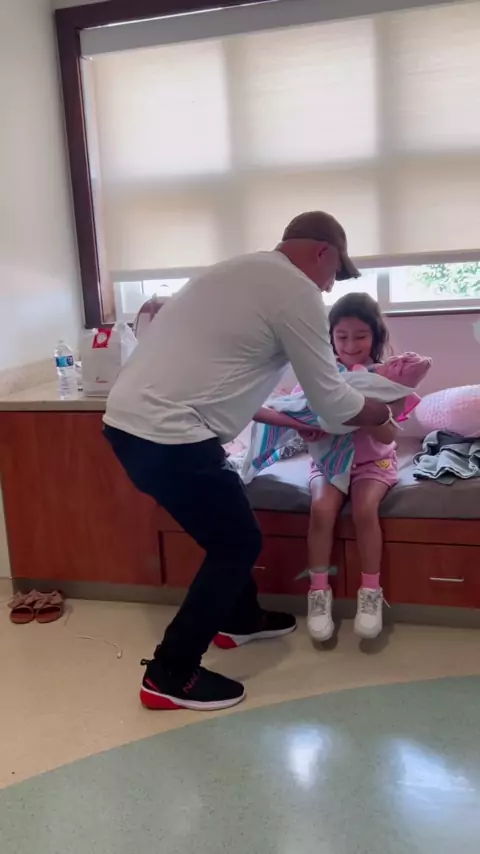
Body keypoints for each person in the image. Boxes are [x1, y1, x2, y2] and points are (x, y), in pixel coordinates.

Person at [103, 211, 403, 712]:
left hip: (128, 426)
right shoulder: (297, 291)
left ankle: (239, 620)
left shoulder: (235, 270)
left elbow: (243, 378)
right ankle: (170, 673)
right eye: (333, 274)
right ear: (323, 253)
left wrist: (296, 419)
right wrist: (385, 408)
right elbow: (335, 404)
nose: (329, 287)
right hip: (170, 435)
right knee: (237, 543)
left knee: (227, 531)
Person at [307, 293, 398, 644]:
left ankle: (370, 593)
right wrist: (307, 428)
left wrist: (367, 411)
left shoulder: (385, 378)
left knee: (364, 509)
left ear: (375, 336)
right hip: (330, 460)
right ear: (330, 337)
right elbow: (301, 415)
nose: (350, 345)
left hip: (374, 460)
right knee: (321, 510)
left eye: (360, 336)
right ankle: (318, 594)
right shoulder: (321, 374)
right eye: (341, 336)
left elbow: (389, 434)